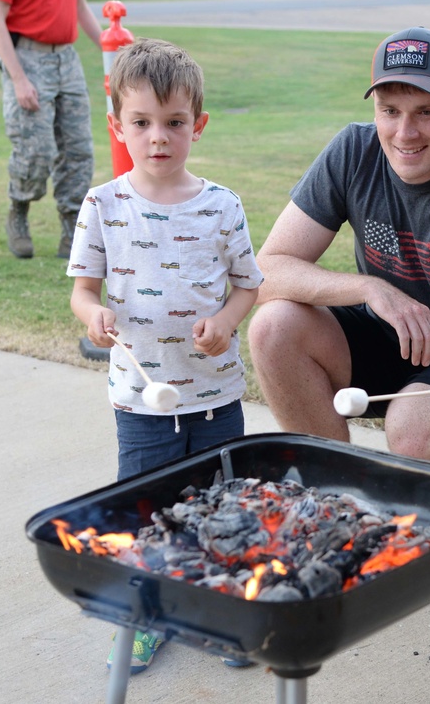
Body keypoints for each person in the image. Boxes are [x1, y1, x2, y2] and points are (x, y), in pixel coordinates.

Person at [248, 27, 430, 469]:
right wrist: (373, 290)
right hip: (385, 341)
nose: (405, 133)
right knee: (273, 325)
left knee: (412, 429)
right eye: (390, 111)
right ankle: (336, 487)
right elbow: (267, 270)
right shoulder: (353, 151)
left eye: (426, 111)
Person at [68, 38, 264, 673]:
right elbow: (82, 291)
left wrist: (227, 322)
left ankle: (224, 613)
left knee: (221, 509)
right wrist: (93, 315)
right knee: (149, 515)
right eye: (142, 123)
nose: (158, 138)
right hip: (140, 399)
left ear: (197, 126)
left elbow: (249, 285)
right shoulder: (102, 205)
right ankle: (147, 618)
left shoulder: (221, 205)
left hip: (215, 398)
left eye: (175, 123)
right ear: (117, 126)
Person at [0, 0, 102, 259]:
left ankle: (72, 226)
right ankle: (19, 208)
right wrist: (18, 79)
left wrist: (112, 50)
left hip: (68, 61)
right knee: (34, 150)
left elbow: (79, 7)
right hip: (27, 58)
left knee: (78, 150)